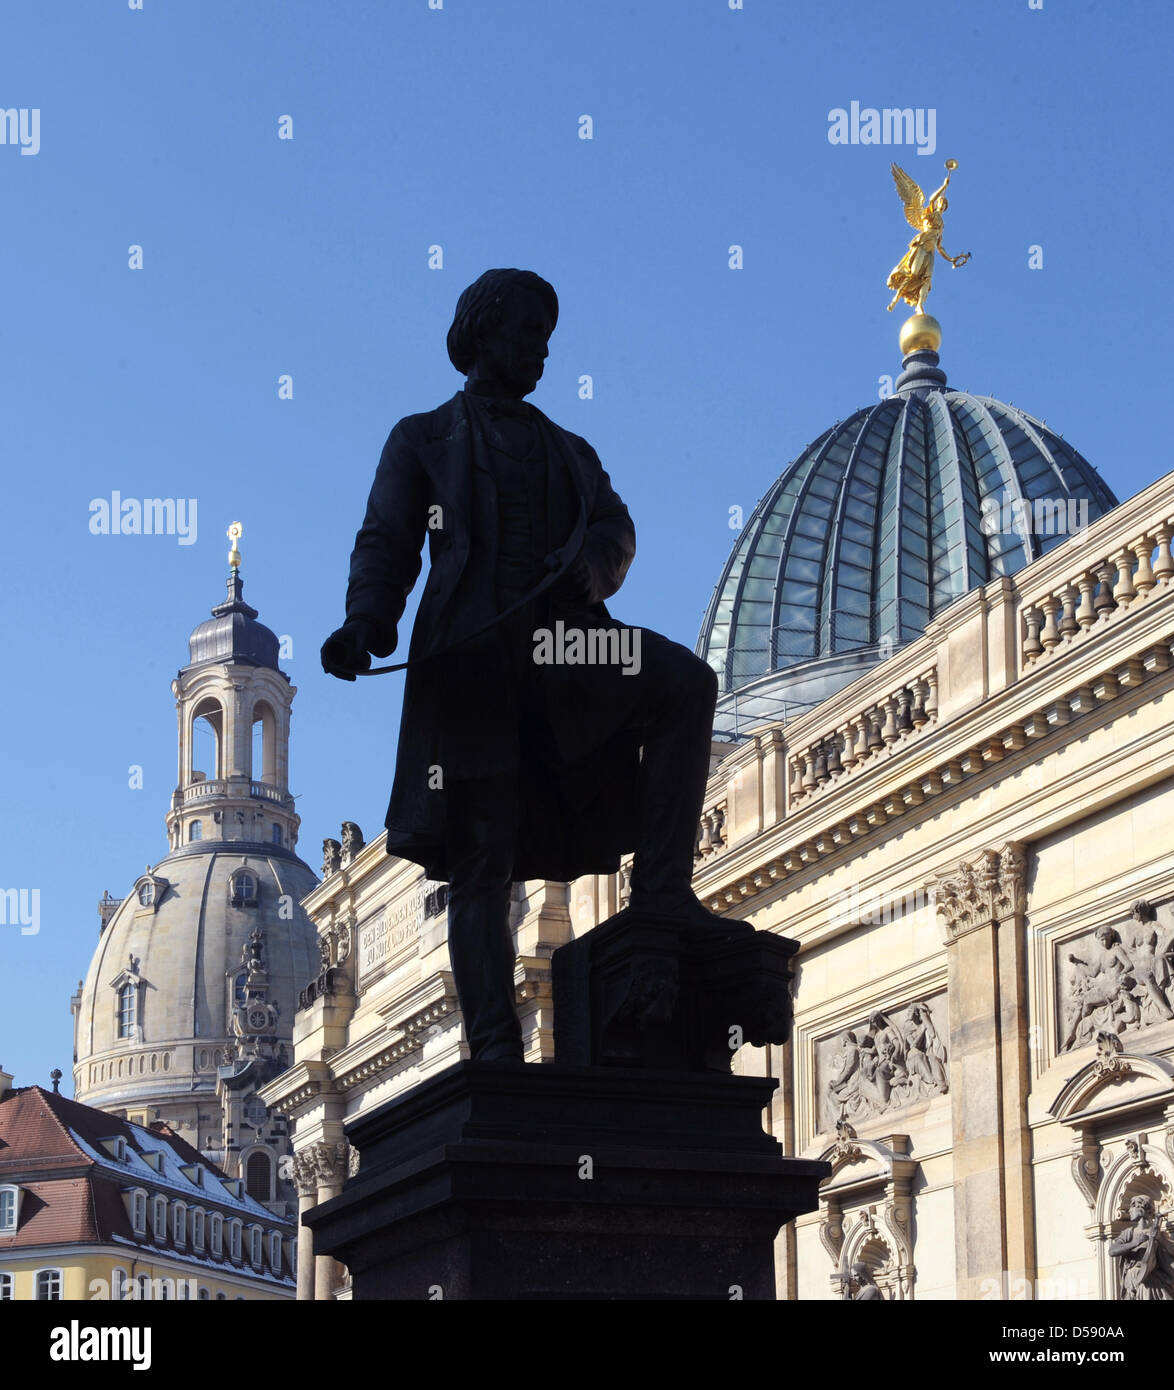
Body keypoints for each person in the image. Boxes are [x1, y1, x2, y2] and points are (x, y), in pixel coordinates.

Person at [322, 269, 722, 1062]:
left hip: (564, 648)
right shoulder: (422, 437)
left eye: (546, 338)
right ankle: (495, 1045)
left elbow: (615, 526)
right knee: (483, 854)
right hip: (472, 662)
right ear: (482, 336)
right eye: (527, 335)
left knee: (684, 682)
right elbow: (387, 540)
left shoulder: (567, 449)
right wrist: (366, 622)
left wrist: (596, 564)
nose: (541, 352)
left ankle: (663, 895)